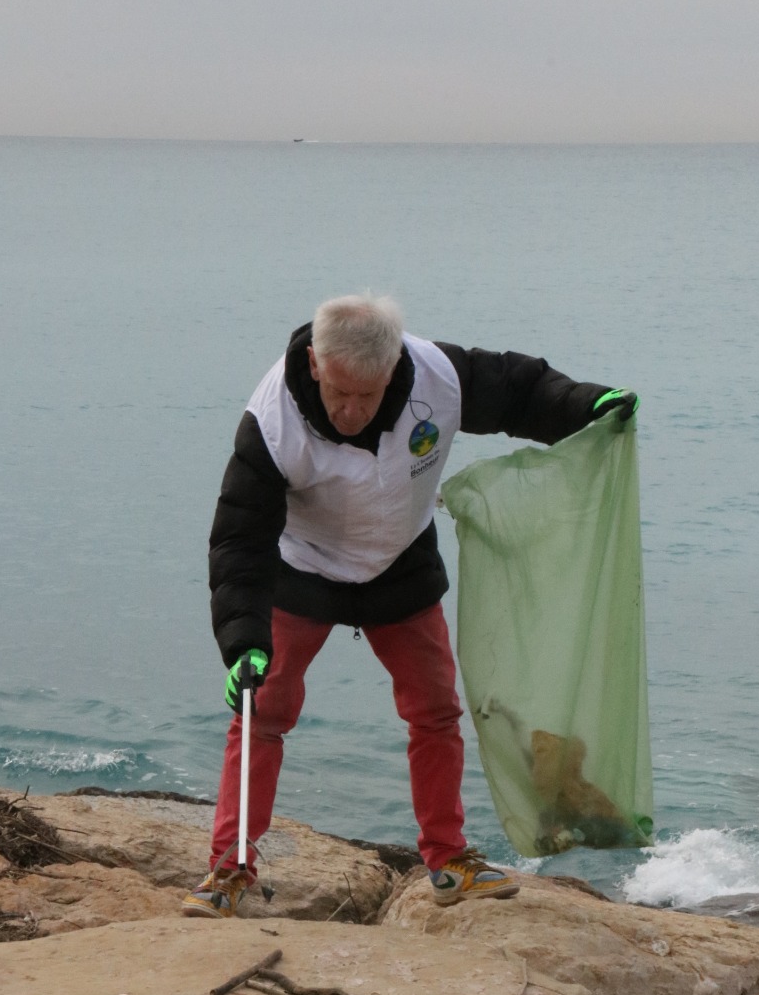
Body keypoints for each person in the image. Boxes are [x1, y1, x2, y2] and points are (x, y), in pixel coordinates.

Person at [184, 294, 637, 919]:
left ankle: (448, 861)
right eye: (340, 392)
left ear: (394, 367)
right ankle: (231, 869)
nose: (350, 410)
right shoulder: (272, 420)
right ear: (315, 363)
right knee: (263, 708)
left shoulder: (435, 376)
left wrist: (588, 405)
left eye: (366, 396)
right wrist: (242, 642)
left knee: (436, 712)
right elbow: (239, 537)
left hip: (398, 564)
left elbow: (517, 389)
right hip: (303, 568)